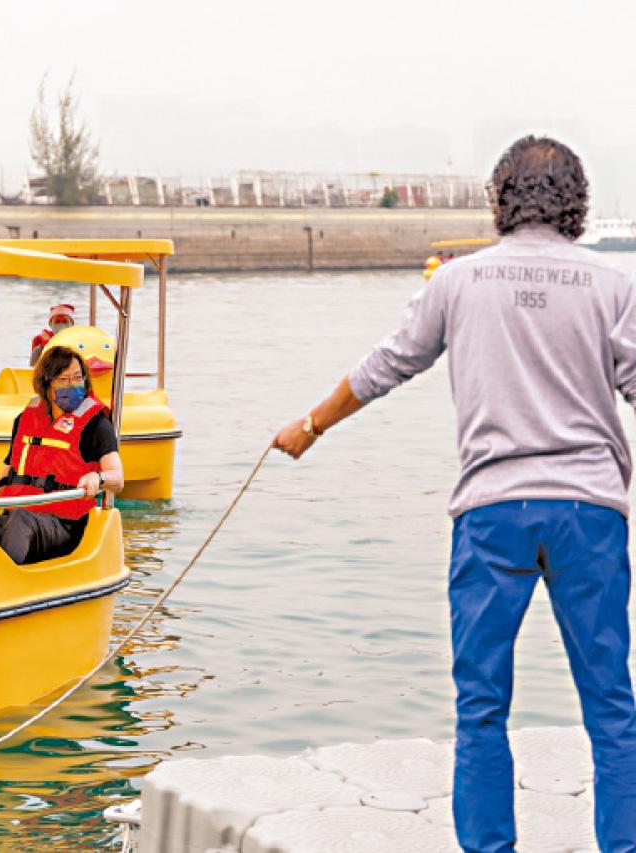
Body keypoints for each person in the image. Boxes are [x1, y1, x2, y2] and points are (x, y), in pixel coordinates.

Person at [273, 136, 636, 851]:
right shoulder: (613, 285)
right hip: (588, 512)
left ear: (501, 199)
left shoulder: (459, 281)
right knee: (612, 708)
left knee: (480, 708)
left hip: (492, 512)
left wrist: (311, 424)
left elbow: (388, 364)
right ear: (577, 202)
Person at [0, 345, 124, 564]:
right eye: (63, 379)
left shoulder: (96, 425)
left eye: (78, 378)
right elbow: (8, 473)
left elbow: (118, 477)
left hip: (64, 525)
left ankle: (6, 585)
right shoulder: (26, 419)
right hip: (17, 517)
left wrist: (98, 478)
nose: (73, 386)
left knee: (21, 521)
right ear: (46, 383)